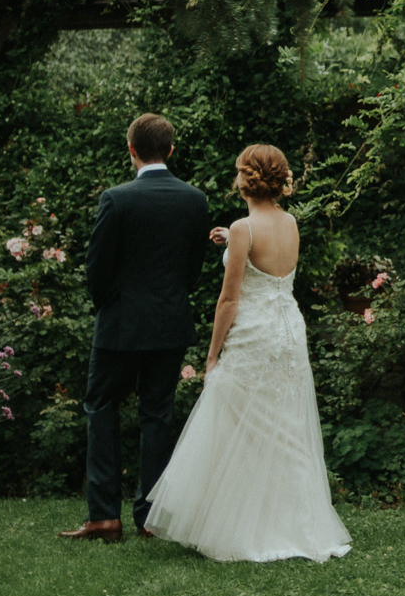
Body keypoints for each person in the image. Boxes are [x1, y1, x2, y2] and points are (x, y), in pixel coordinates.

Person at [143, 143, 352, 563]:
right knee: (283, 425)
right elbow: (269, 266)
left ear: (246, 179)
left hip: (255, 333)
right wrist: (229, 239)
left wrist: (212, 355)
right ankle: (294, 524)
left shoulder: (244, 228)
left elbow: (229, 300)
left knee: (242, 424)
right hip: (289, 330)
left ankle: (243, 527)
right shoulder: (290, 223)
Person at [60, 112, 213, 543]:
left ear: (131, 150)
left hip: (121, 326)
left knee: (101, 408)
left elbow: (97, 268)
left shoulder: (116, 198)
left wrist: (110, 305)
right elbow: (191, 269)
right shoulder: (194, 200)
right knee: (157, 416)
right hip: (170, 323)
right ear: (170, 150)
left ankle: (104, 517)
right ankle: (151, 515)